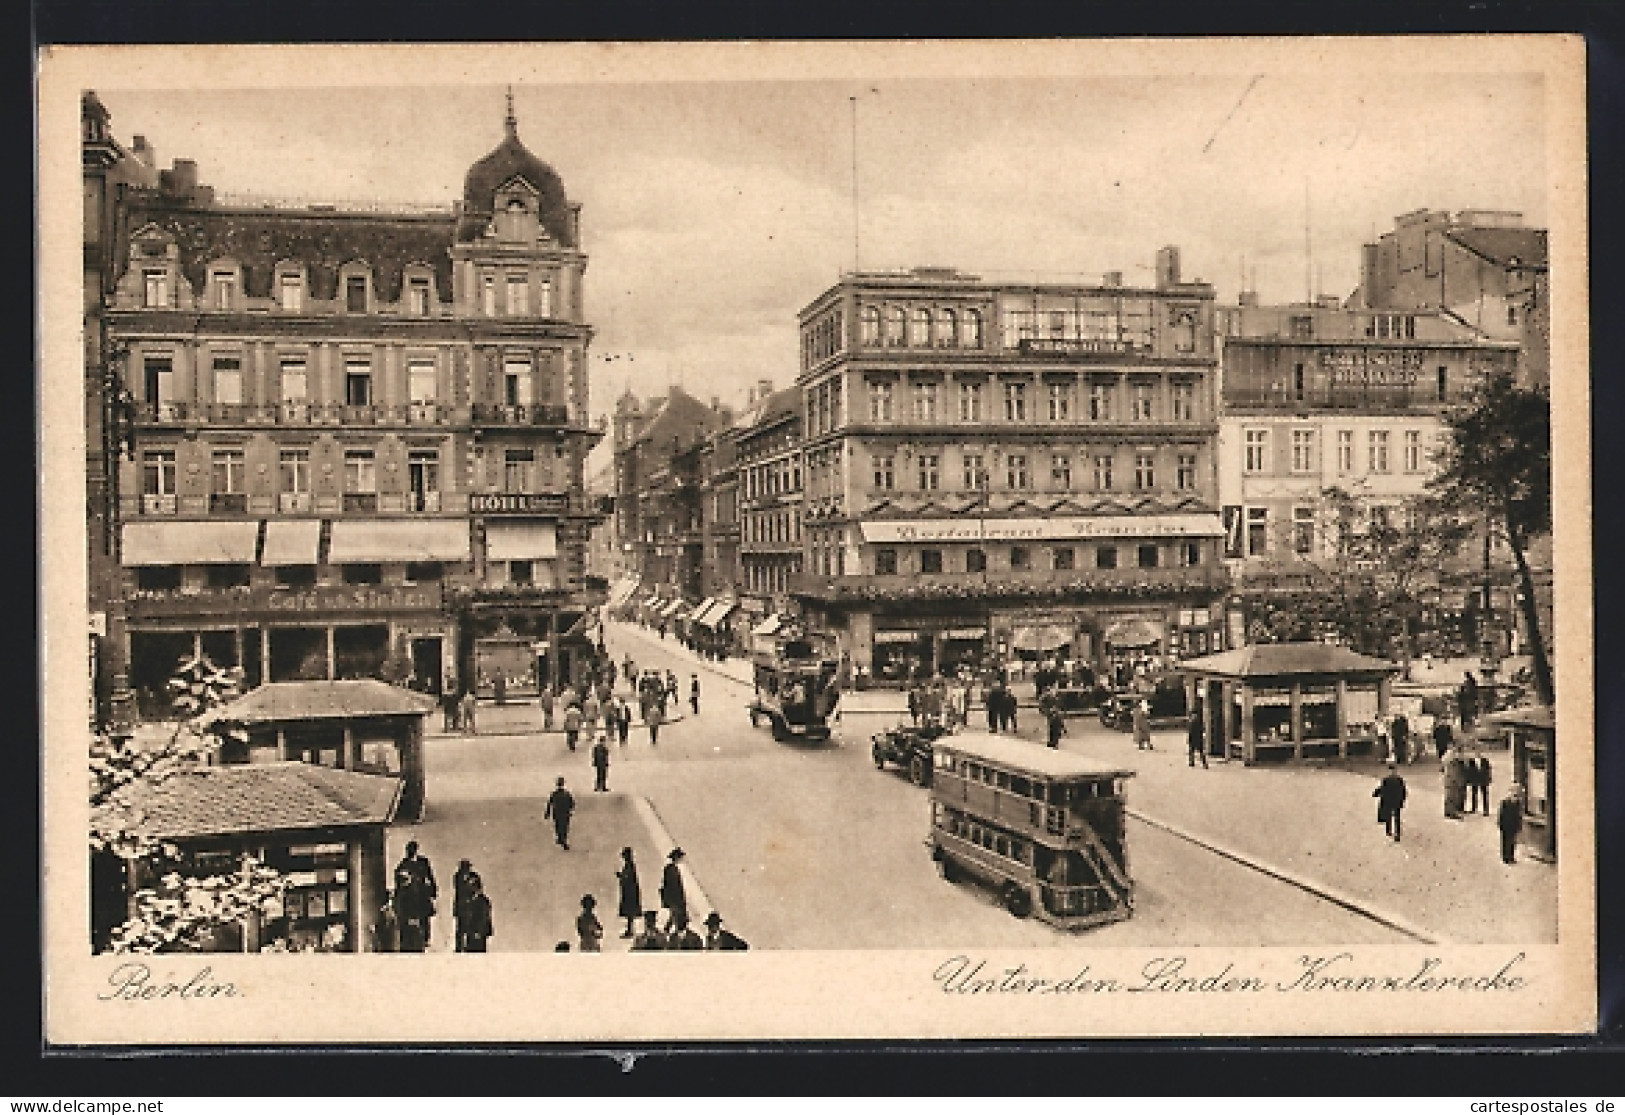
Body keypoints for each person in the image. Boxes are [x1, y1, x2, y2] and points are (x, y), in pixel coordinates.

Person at [392, 840, 438, 951]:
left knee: (424, 916)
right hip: (409, 895)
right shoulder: (403, 864)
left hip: (422, 895)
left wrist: (433, 891)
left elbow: (430, 877)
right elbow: (398, 882)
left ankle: (426, 939)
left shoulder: (423, 862)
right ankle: (414, 940)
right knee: (411, 918)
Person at [1373, 762, 1408, 841]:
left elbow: (1382, 789)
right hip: (1396, 801)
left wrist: (1375, 793)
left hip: (1389, 800)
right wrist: (1402, 800)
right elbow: (1403, 791)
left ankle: (1389, 831)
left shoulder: (1386, 780)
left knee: (1389, 815)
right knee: (1397, 817)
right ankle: (1397, 833)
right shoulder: (1399, 780)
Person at [452, 858, 480, 952]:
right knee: (460, 928)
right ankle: (458, 947)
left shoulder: (474, 876)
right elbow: (460, 888)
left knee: (470, 927)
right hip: (461, 906)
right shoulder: (458, 876)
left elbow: (478, 889)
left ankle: (469, 946)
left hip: (472, 906)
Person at [616, 847, 643, 938]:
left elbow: (628, 878)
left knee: (629, 912)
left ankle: (630, 930)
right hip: (630, 891)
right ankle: (630, 929)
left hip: (629, 892)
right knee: (629, 913)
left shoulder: (629, 866)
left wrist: (621, 877)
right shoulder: (629, 865)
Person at [660, 848, 689, 932]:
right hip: (674, 897)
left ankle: (668, 929)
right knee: (676, 914)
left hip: (673, 897)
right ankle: (670, 930)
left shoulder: (672, 868)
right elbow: (672, 885)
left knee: (674, 915)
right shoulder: (671, 869)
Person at [462, 876, 493, 952]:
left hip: (478, 934)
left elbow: (484, 917)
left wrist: (479, 931)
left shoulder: (482, 901)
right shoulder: (470, 900)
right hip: (471, 933)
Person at [545, 776, 576, 850]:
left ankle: (560, 838)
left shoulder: (554, 794)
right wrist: (571, 810)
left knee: (558, 826)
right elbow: (572, 803)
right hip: (565, 813)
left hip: (557, 813)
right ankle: (563, 839)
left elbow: (550, 804)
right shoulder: (567, 794)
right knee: (564, 827)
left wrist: (547, 813)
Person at [1497, 785, 1525, 864]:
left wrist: (1519, 826)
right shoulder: (1505, 803)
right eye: (1513, 795)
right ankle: (1505, 857)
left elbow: (1519, 816)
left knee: (1512, 842)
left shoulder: (1518, 804)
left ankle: (1511, 857)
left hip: (1513, 825)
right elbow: (1501, 815)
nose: (1514, 797)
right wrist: (1500, 824)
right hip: (1506, 825)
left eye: (1516, 795)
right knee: (1505, 841)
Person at [1443, 745, 1468, 819]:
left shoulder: (1454, 760)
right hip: (1451, 781)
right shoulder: (1451, 761)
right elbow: (1453, 773)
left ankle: (1452, 811)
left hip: (1453, 780)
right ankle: (1450, 812)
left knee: (1454, 796)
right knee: (1451, 796)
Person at [1477, 749, 1494, 816]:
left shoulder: (1485, 761)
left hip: (1483, 780)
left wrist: (1489, 778)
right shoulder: (1472, 761)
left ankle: (1486, 810)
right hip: (1475, 779)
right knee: (1474, 793)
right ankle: (1474, 808)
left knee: (1484, 795)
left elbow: (1489, 770)